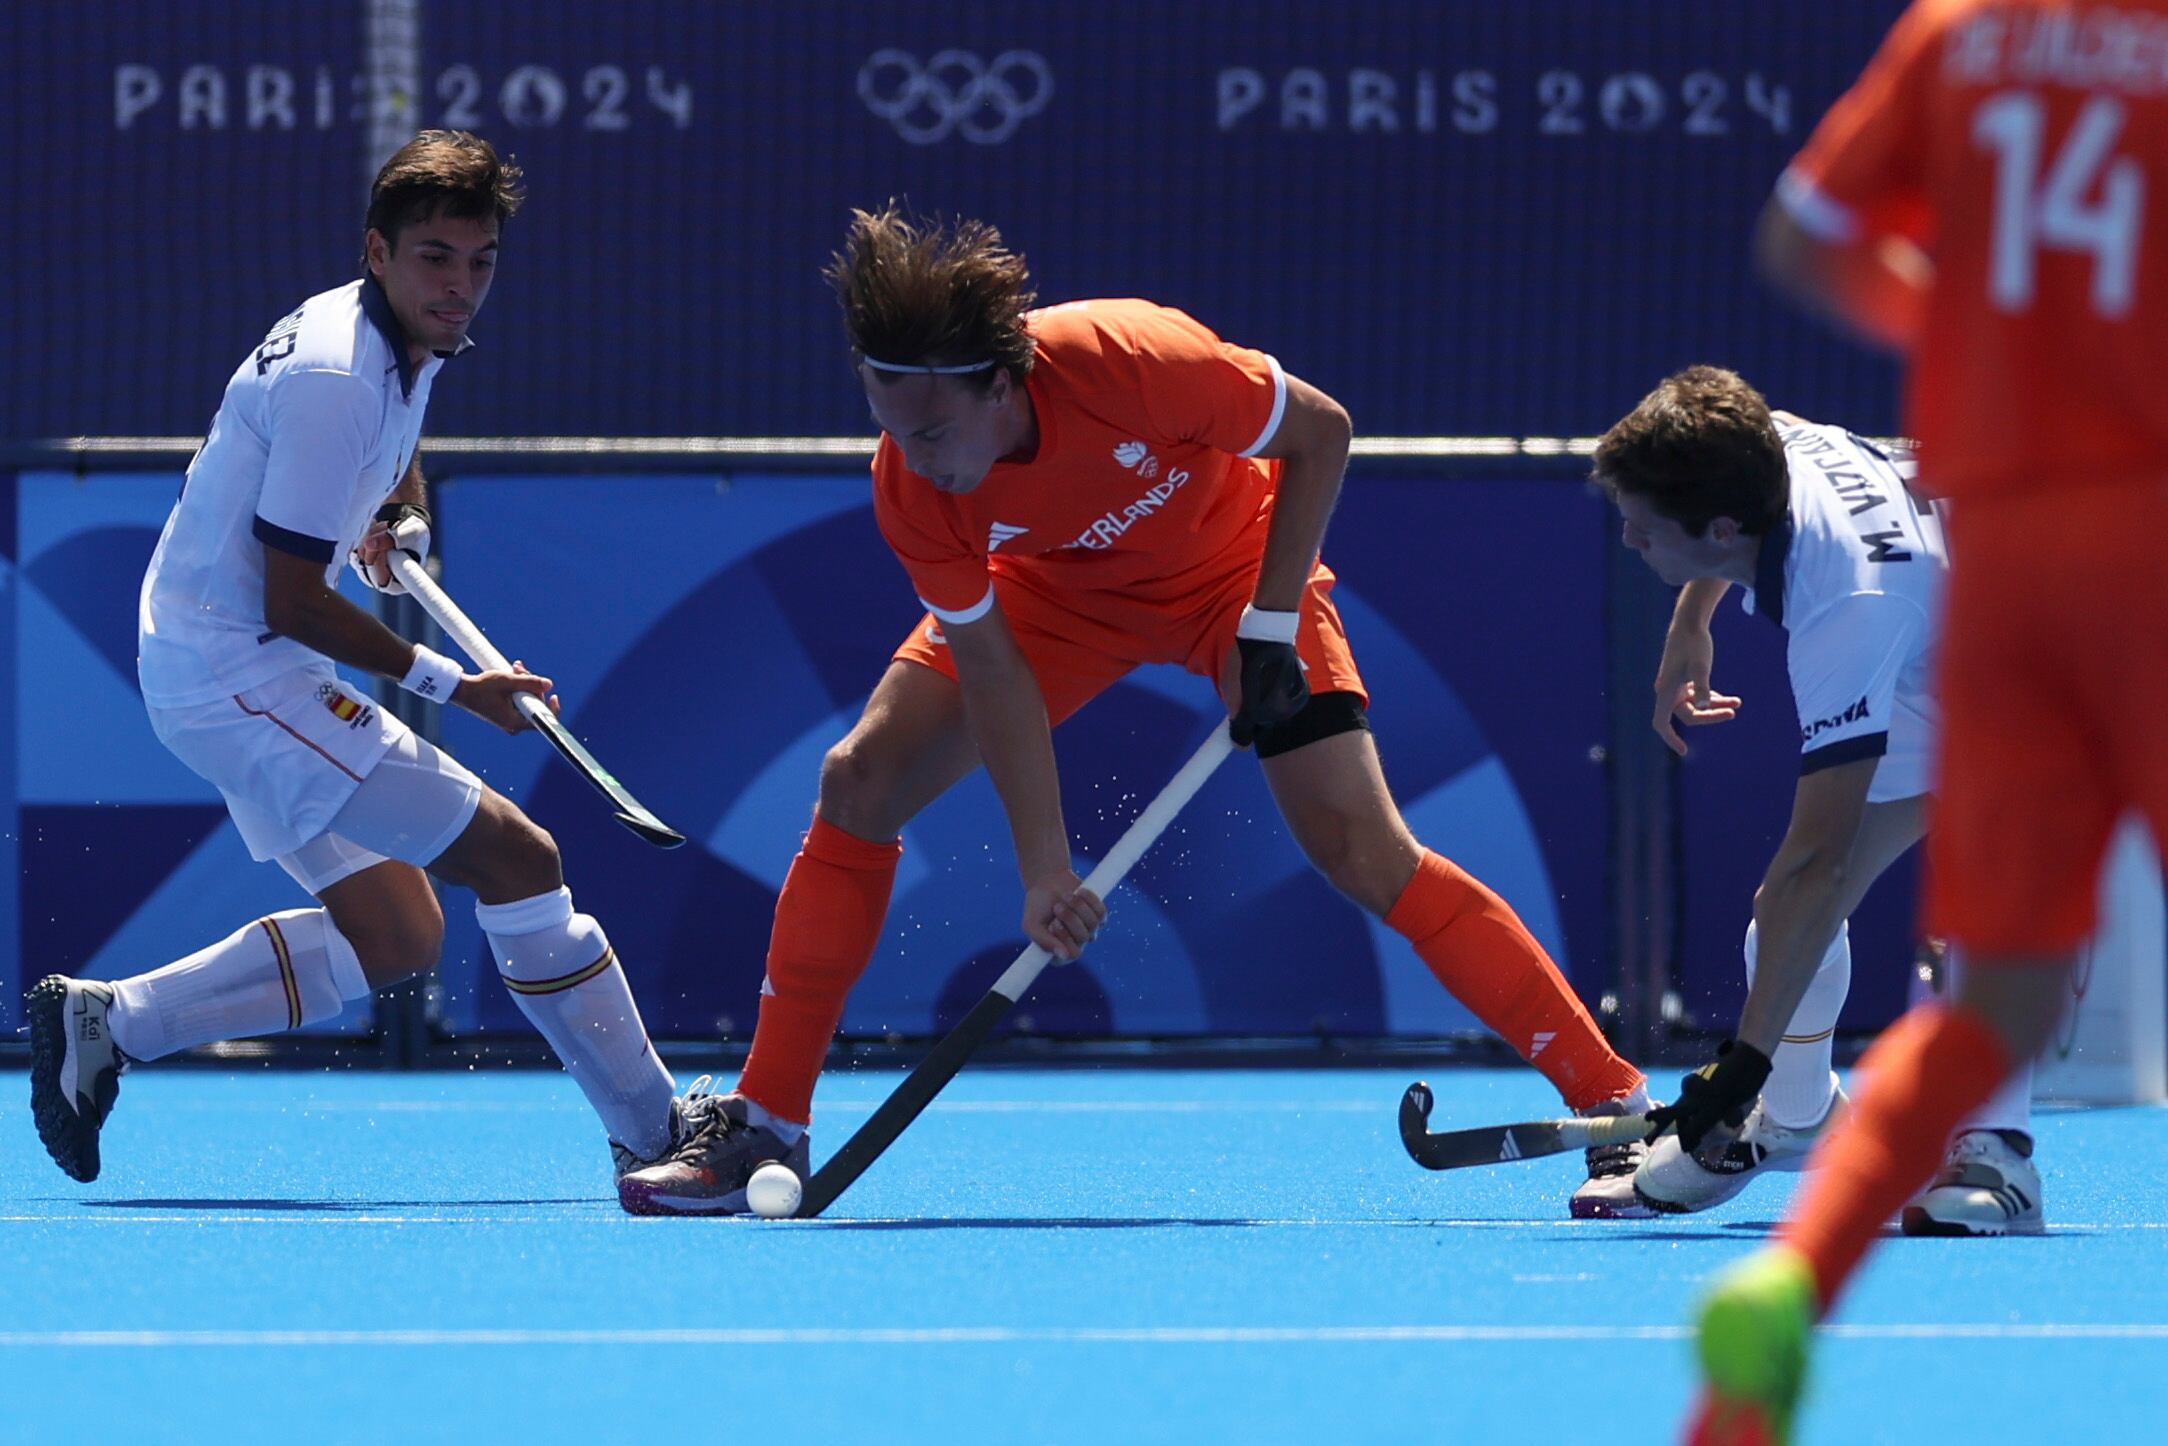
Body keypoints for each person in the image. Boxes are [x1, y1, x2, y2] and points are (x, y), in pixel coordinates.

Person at [619, 205, 1651, 1216]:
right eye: (891, 427)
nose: (917, 456)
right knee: (858, 780)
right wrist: (1044, 871)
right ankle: (770, 1120)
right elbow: (994, 676)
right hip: (1055, 599)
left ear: (1002, 381)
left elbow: (1321, 434)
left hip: (1235, 575)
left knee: (1359, 847)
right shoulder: (914, 486)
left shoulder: (1130, 359)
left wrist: (1268, 621)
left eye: (932, 429)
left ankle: (1617, 1109)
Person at [26, 130, 707, 1192]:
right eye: (436, 257)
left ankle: (111, 1024)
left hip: (218, 661)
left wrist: (399, 521)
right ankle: (657, 1131)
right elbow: (289, 598)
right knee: (519, 861)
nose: (461, 286)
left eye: (480, 261)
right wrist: (457, 688)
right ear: (377, 250)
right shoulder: (338, 375)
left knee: (396, 934)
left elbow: (389, 466)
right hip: (236, 670)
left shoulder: (401, 338)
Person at [1681, 3, 2168, 1441]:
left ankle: (1793, 1282)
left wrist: (1989, 340)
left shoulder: (1961, 34)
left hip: (2005, 554)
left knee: (1997, 992)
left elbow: (1801, 240)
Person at [1593, 364, 2041, 1232]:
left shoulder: (1847, 611)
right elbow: (1774, 427)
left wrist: (1734, 1072)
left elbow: (1818, 856)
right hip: (1948, 644)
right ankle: (1797, 1121)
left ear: (1722, 527)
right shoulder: (1770, 447)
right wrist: (1693, 623)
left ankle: (1999, 1159)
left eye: (1643, 528)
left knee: (1979, 902)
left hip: (2063, 661)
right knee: (1787, 917)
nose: (1627, 542)